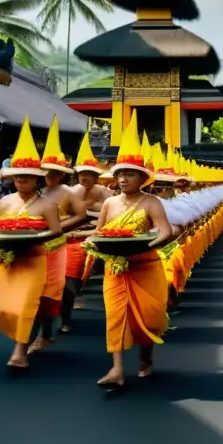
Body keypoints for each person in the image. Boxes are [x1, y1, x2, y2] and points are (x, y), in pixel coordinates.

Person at [93, 113, 172, 388]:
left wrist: (147, 244)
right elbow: (99, 234)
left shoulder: (152, 202)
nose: (123, 179)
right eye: (120, 174)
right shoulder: (109, 204)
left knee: (148, 318)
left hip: (146, 266)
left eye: (129, 174)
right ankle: (116, 369)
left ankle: (145, 357)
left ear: (142, 177)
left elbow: (165, 230)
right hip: (116, 268)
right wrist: (91, 242)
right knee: (115, 316)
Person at [0, 118, 63, 370]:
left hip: (33, 259)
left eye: (27, 178)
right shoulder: (5, 202)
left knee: (25, 305)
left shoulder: (46, 205)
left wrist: (33, 237)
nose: (22, 182)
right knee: (4, 307)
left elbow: (55, 231)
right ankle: (21, 342)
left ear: (38, 180)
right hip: (7, 260)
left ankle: (19, 352)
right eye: (18, 178)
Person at [29, 117, 88, 351]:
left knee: (58, 289)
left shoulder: (67, 192)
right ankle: (42, 334)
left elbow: (82, 215)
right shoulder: (39, 192)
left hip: (59, 245)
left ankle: (54, 326)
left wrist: (58, 228)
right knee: (36, 293)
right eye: (46, 172)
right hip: (36, 246)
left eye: (54, 173)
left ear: (62, 174)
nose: (49, 176)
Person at [63, 134, 111, 326]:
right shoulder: (69, 193)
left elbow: (111, 218)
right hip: (72, 240)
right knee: (67, 281)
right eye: (82, 173)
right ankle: (65, 316)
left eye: (90, 174)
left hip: (96, 237)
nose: (85, 177)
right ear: (77, 175)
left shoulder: (105, 194)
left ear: (96, 176)